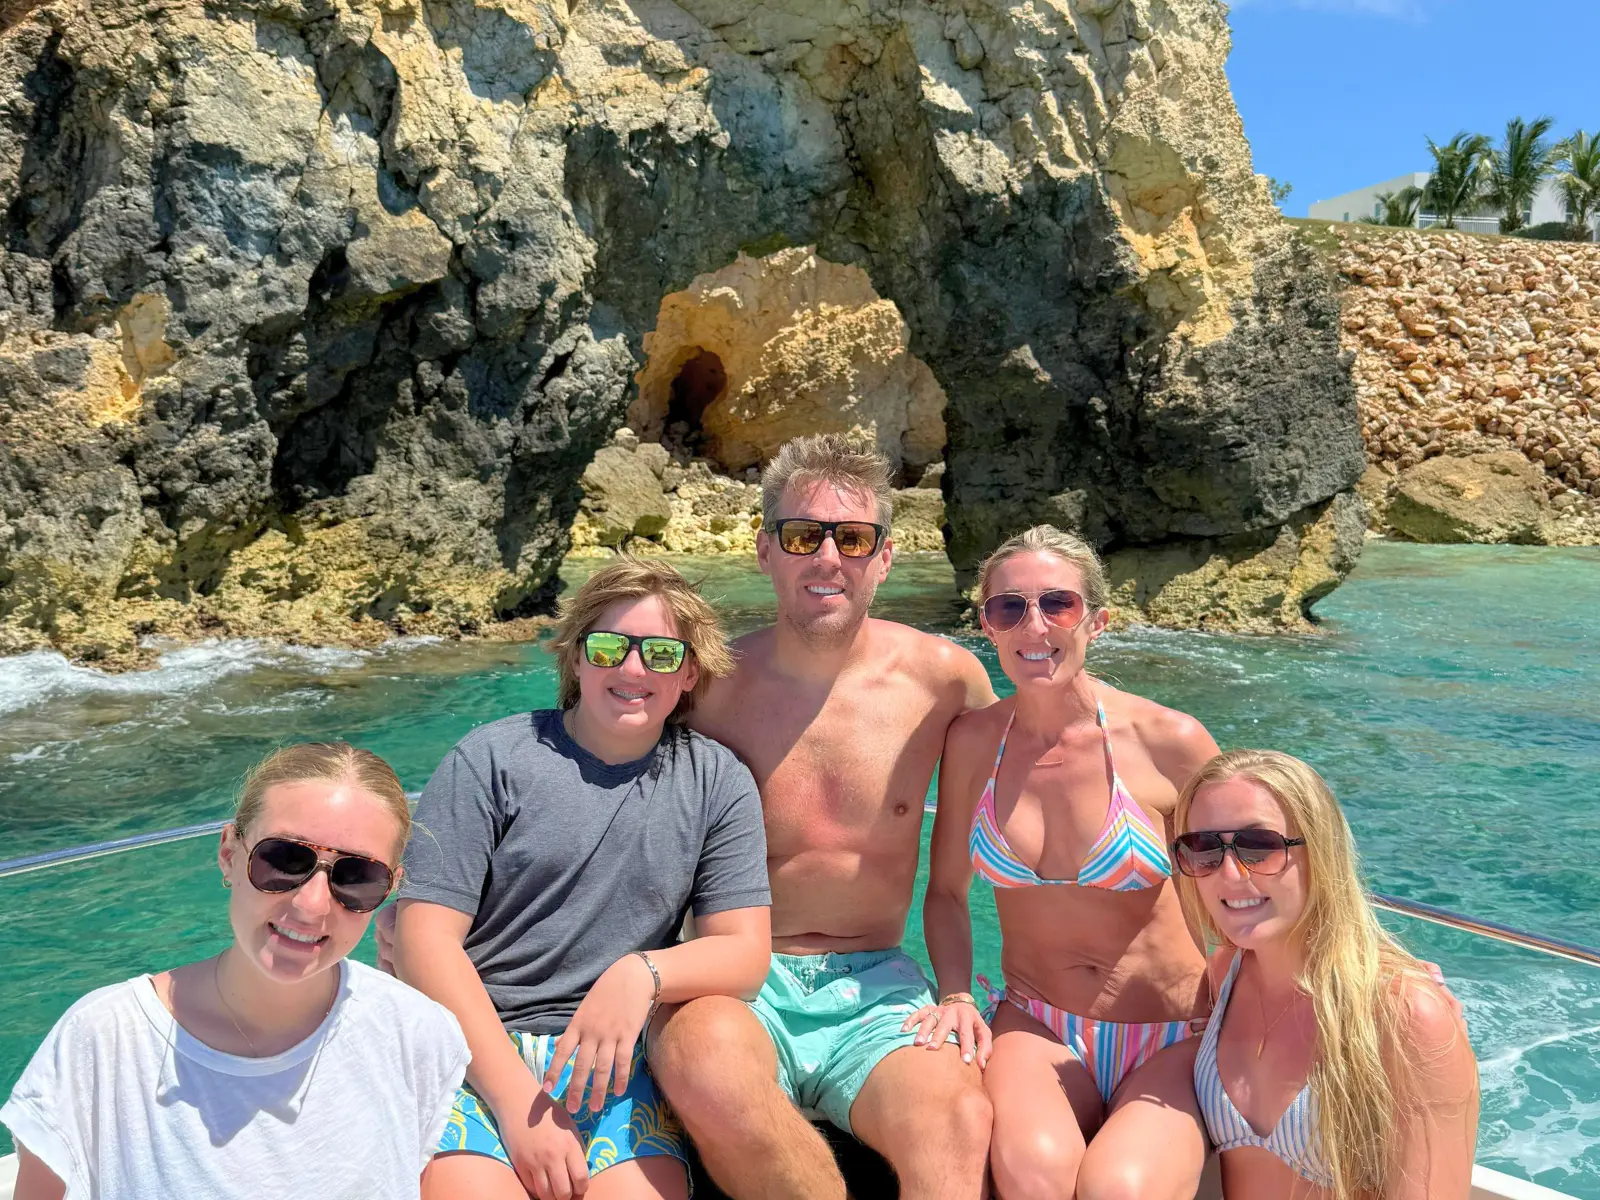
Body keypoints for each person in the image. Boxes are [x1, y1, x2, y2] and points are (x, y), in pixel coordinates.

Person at [646, 433, 999, 1200]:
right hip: (739, 979)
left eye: (852, 538)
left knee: (959, 1120)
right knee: (703, 1065)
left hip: (878, 985)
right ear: (765, 550)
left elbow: (1014, 812)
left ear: (885, 556)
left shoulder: (947, 681)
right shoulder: (707, 689)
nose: (827, 558)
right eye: (802, 535)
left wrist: (960, 991)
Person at [389, 557, 773, 1200]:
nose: (631, 669)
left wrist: (639, 973)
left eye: (659, 652)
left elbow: (745, 953)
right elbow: (425, 939)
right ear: (575, 659)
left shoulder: (717, 781)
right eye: (607, 647)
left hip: (616, 1064)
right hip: (475, 1053)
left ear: (689, 671)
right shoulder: (491, 758)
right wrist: (515, 1103)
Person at [0, 742, 469, 1200]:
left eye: (356, 877)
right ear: (229, 853)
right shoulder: (103, 1040)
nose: (311, 905)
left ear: (389, 890)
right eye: (284, 860)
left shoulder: (417, 1034)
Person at [919, 524, 1222, 1200]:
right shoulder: (973, 744)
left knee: (1122, 1189)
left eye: (1059, 604)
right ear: (987, 627)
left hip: (1172, 1032)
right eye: (1009, 608)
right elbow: (943, 893)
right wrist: (956, 992)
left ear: (1098, 620)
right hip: (1039, 1021)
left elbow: (1254, 881)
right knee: (1035, 1175)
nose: (1034, 625)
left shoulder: (1169, 741)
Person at [1174, 750, 1479, 1199]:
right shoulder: (1226, 976)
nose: (1231, 874)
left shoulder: (1405, 1015)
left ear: (1320, 850)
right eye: (1204, 849)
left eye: (1260, 846)